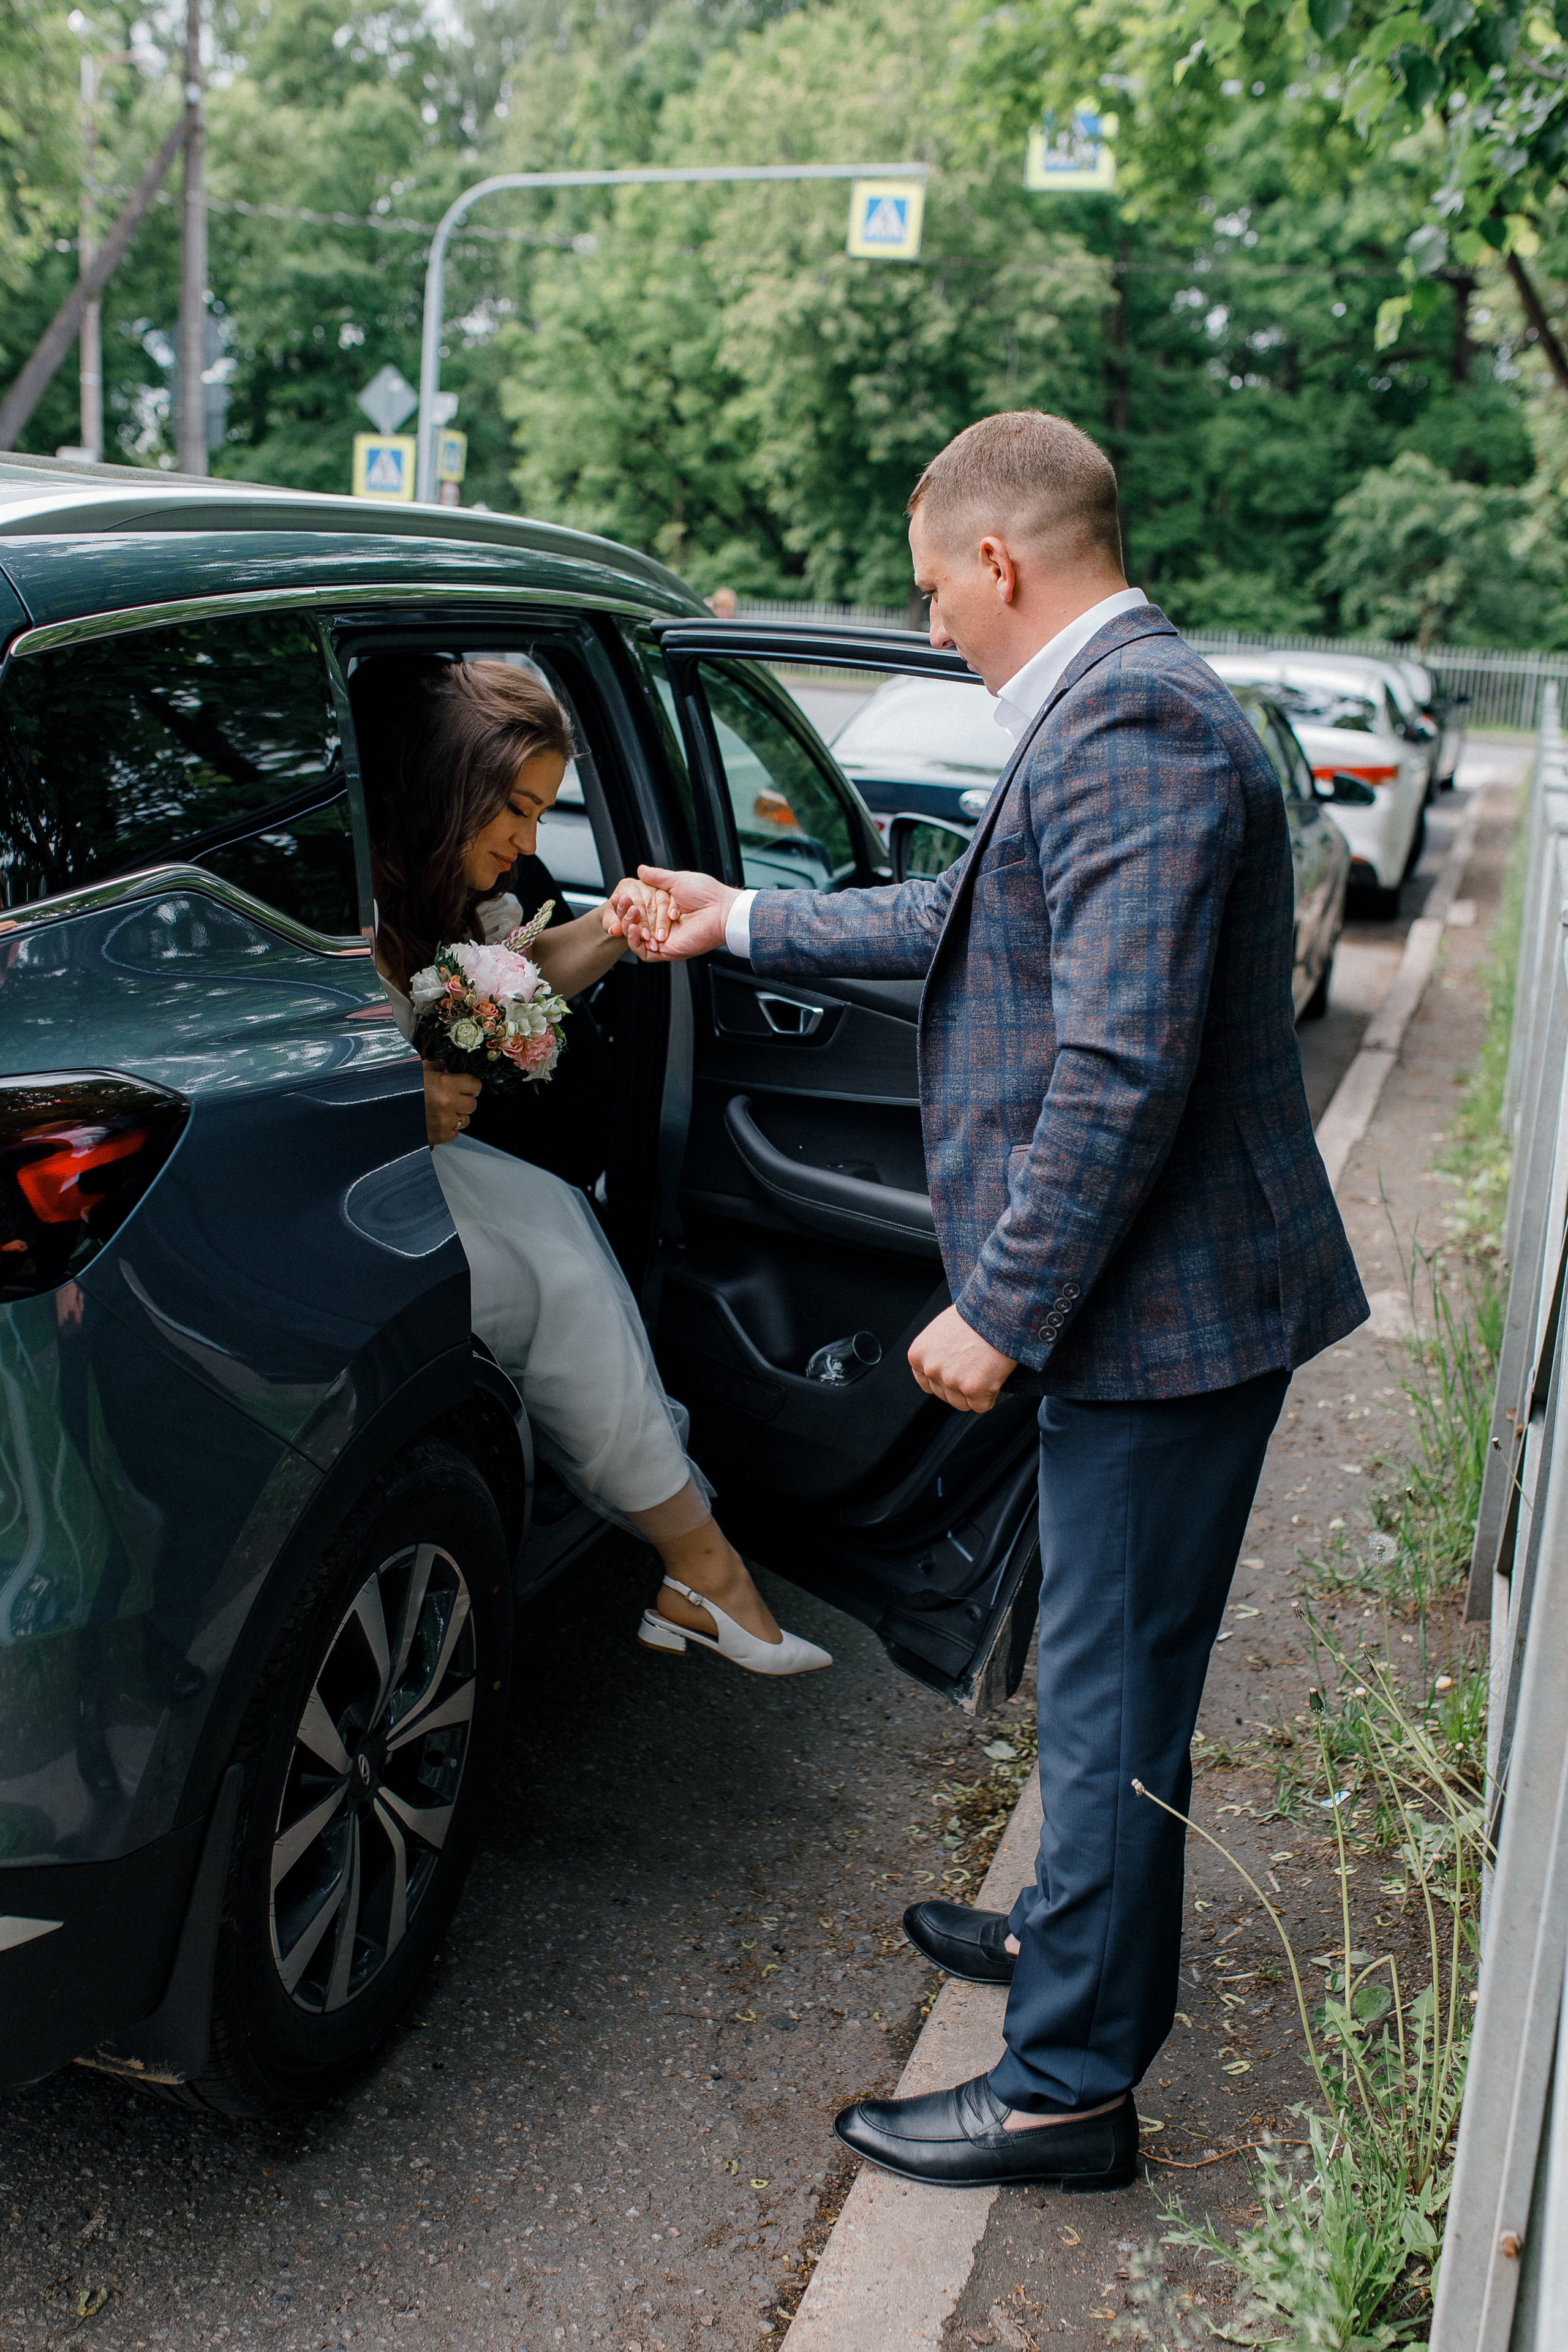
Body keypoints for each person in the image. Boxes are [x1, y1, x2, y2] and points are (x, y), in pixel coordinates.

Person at [611, 409, 1366, 2190]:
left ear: (1002, 562)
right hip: (1163, 1300)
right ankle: (1068, 1937)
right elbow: (978, 916)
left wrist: (1004, 1306)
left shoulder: (1139, 727)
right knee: (1109, 1676)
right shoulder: (1122, 714)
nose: (935, 623)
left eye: (935, 588)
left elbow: (1119, 1067)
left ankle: (1063, 2090)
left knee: (1113, 1701)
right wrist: (739, 923)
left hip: (1157, 1313)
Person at [356, 652, 830, 1679]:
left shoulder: (462, 889)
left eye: (542, 814)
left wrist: (615, 924)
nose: (529, 846)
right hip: (344, 1179)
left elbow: (522, 977)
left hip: (425, 1165)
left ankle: (696, 1564)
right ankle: (702, 1566)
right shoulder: (346, 893)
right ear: (451, 789)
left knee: (562, 1219)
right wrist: (406, 1099)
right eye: (517, 813)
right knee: (557, 1273)